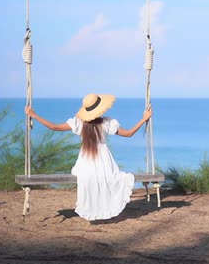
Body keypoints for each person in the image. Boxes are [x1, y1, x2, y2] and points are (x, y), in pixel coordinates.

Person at [24, 93, 153, 221]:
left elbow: (54, 127)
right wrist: (144, 118)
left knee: (89, 179)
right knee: (113, 179)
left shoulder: (78, 123)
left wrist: (33, 115)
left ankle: (94, 208)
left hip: (86, 161)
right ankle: (104, 207)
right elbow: (129, 133)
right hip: (104, 161)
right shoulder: (107, 123)